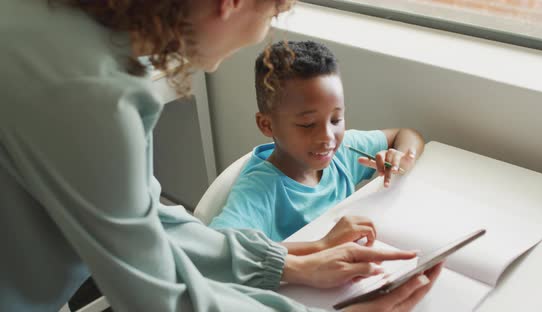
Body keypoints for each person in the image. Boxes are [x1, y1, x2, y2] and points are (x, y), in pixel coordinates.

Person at [0, 0, 442, 311]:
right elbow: (158, 296)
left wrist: (290, 263)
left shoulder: (65, 32)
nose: (266, 31)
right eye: (272, 12)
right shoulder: (89, 92)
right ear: (231, 2)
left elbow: (146, 218)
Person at [209, 41, 425, 251]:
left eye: (335, 119)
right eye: (308, 124)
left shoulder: (343, 152)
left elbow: (405, 134)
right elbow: (219, 250)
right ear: (267, 125)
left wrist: (403, 157)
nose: (327, 137)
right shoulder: (259, 190)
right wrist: (323, 244)